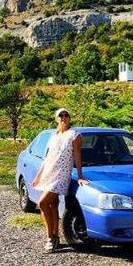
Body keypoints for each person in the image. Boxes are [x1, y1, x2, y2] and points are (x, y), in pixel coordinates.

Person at [32, 108, 89, 252]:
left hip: (61, 174)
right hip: (49, 172)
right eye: (60, 115)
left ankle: (50, 237)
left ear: (69, 118)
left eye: (66, 115)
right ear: (56, 119)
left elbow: (77, 155)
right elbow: (47, 158)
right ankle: (55, 236)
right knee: (52, 205)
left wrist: (80, 175)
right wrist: (39, 175)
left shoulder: (74, 135)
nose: (63, 117)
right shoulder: (54, 135)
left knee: (42, 203)